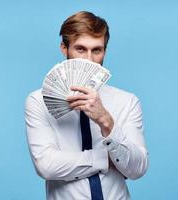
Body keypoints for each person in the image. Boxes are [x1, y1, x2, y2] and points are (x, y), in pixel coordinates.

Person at [25, 11, 149, 200]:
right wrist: (105, 159)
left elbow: (137, 169)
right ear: (64, 49)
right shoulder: (38, 102)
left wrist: (106, 121)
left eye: (97, 50)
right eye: (81, 49)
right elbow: (46, 165)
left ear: (104, 51)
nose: (89, 60)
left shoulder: (127, 101)